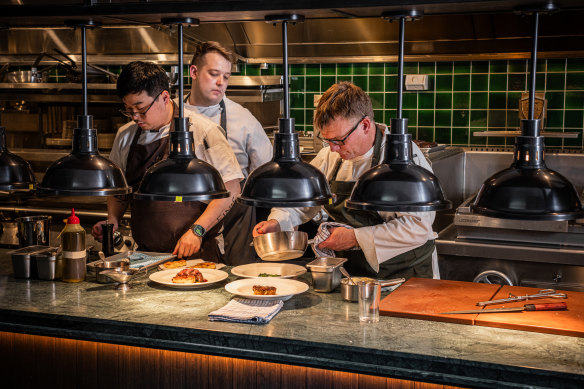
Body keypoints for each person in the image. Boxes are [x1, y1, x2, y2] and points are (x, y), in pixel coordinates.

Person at [253, 81, 439, 280]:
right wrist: (277, 222)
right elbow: (301, 199)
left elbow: (417, 227)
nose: (332, 149)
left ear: (365, 125)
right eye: (327, 141)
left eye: (339, 140)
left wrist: (354, 238)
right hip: (356, 276)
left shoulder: (404, 160)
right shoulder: (331, 157)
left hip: (407, 276)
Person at [92, 61, 243, 262]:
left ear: (164, 97)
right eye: (128, 110)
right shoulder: (125, 136)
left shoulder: (203, 132)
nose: (135, 117)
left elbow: (232, 189)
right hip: (144, 256)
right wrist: (112, 220)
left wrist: (197, 230)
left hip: (199, 254)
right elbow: (120, 190)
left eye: (141, 108)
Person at [183, 41, 273, 265]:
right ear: (193, 71)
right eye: (214, 74)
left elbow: (267, 176)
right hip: (181, 223)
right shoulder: (173, 113)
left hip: (234, 227)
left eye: (226, 76)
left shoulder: (243, 119)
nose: (221, 82)